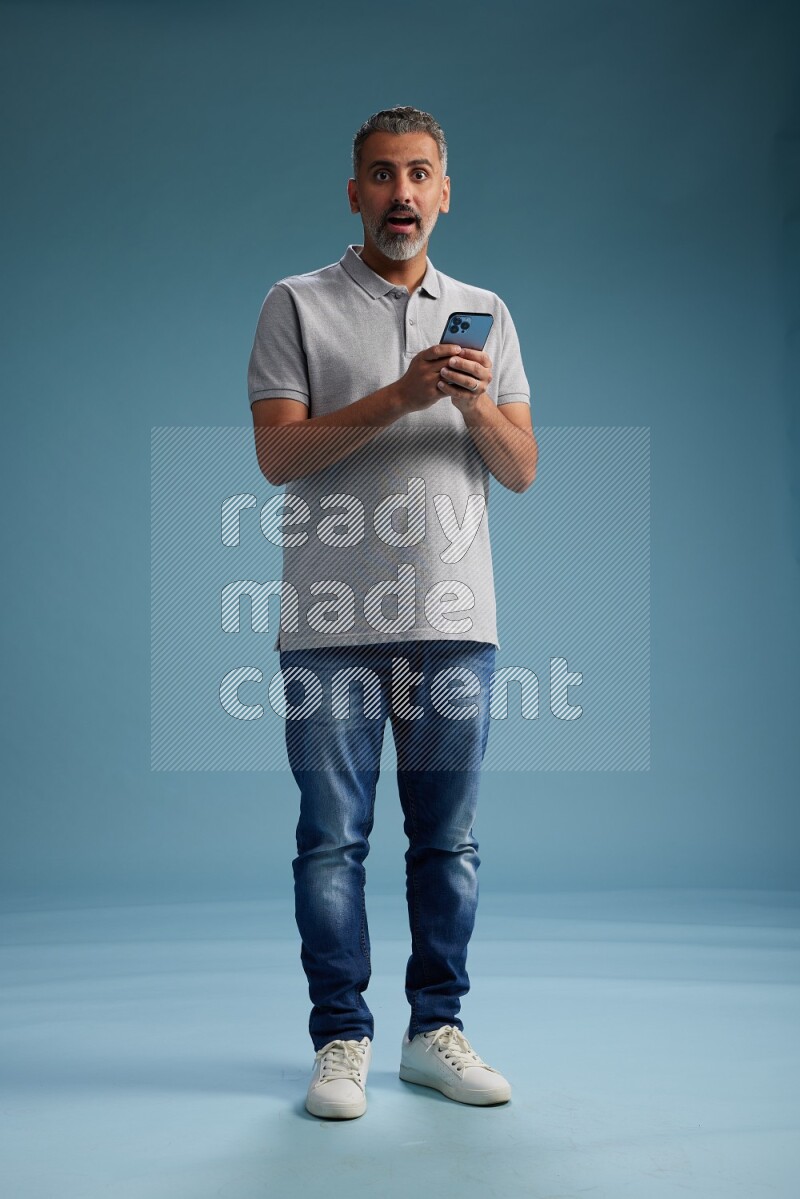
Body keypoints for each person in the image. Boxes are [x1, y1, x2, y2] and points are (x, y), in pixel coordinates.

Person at [247, 106, 537, 1119]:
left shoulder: (486, 312)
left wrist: (464, 401)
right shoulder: (296, 302)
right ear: (354, 192)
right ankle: (340, 1038)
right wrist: (398, 395)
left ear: (443, 191)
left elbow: (520, 468)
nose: (400, 194)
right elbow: (277, 455)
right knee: (332, 840)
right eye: (381, 175)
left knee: (446, 841)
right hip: (328, 621)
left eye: (418, 175)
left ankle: (432, 1030)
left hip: (455, 617)